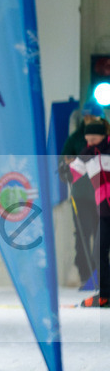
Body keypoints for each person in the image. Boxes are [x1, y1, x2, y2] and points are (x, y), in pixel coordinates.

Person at [58, 98, 105, 287]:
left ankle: (101, 275)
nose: (88, 120)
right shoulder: (76, 139)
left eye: (92, 117)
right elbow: (63, 164)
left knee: (101, 236)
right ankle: (86, 275)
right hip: (82, 197)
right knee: (84, 235)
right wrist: (66, 167)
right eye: (86, 117)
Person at [67, 119, 110, 307]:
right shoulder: (86, 155)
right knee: (99, 252)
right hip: (105, 211)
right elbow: (71, 174)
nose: (91, 143)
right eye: (88, 140)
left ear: (103, 137)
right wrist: (64, 170)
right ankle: (106, 294)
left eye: (94, 139)